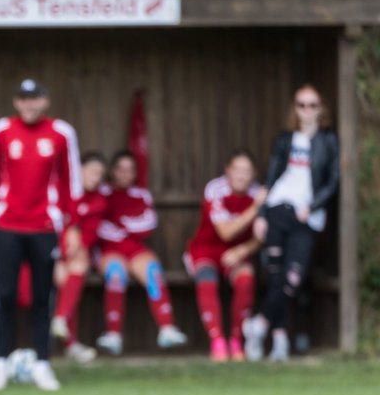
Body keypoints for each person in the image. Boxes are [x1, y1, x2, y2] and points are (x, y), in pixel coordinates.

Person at [0, 78, 80, 392]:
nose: (29, 105)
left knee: (42, 299)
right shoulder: (1, 130)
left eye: (35, 99)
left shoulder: (62, 132)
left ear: (44, 101)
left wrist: (72, 225)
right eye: (24, 99)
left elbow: (71, 181)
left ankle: (43, 363)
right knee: (4, 297)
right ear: (16, 102)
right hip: (7, 225)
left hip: (45, 227)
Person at [244, 84, 340, 362]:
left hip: (306, 217)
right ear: (294, 108)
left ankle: (258, 325)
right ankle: (279, 340)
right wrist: (262, 214)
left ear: (320, 109)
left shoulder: (328, 140)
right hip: (278, 210)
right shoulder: (286, 139)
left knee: (292, 277)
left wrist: (312, 206)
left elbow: (333, 181)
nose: (307, 110)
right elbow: (271, 178)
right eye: (301, 105)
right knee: (275, 276)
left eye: (312, 105)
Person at [94, 150, 188, 354]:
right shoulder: (102, 193)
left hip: (135, 249)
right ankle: (113, 334)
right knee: (116, 274)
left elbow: (148, 224)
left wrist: (121, 225)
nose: (125, 174)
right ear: (112, 171)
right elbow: (98, 226)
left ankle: (167, 328)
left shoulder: (141, 195)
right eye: (121, 169)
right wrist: (127, 226)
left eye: (130, 170)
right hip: (109, 251)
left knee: (153, 270)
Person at [184, 151, 266, 361]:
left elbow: (263, 236)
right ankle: (217, 341)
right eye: (237, 170)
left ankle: (236, 340)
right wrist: (256, 207)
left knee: (246, 279)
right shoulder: (215, 189)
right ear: (227, 171)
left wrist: (243, 250)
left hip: (237, 253)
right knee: (207, 280)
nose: (242, 176)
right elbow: (226, 232)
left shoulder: (258, 193)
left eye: (247, 171)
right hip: (206, 249)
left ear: (254, 174)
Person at [49, 151, 107, 363]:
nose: (97, 177)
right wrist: (58, 256)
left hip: (77, 256)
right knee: (70, 276)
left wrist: (72, 251)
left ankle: (63, 325)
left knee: (77, 267)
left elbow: (89, 235)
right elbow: (52, 226)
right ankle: (68, 339)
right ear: (78, 171)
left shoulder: (100, 200)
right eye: (92, 171)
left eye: (101, 173)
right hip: (50, 252)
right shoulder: (61, 192)